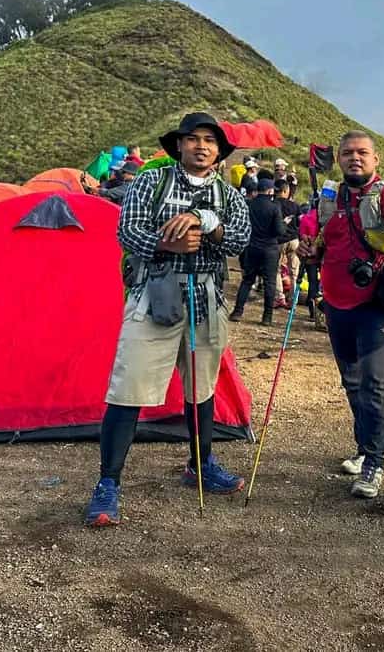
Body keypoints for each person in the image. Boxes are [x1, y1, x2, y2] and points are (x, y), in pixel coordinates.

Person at [84, 112, 252, 528]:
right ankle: (108, 484)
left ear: (218, 151)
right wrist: (166, 240)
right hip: (153, 297)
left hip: (206, 299)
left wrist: (206, 223)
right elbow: (127, 231)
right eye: (192, 139)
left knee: (202, 387)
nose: (200, 146)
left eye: (209, 141)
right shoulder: (150, 182)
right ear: (178, 146)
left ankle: (201, 464)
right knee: (129, 388)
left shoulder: (228, 195)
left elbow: (241, 238)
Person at [297, 131, 384, 499]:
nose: (354, 158)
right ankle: (364, 448)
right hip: (337, 303)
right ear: (339, 159)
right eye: (347, 153)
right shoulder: (330, 198)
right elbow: (319, 241)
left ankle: (375, 462)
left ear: (375, 159)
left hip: (378, 303)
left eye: (362, 153)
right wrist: (309, 250)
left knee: (375, 384)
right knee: (353, 382)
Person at [230, 176, 284, 325]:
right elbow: (279, 231)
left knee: (247, 280)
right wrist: (284, 224)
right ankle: (267, 316)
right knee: (269, 282)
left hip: (252, 246)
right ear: (269, 190)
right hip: (270, 249)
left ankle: (238, 311)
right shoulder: (274, 207)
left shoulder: (249, 204)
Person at [274, 179, 301, 306]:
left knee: (277, 270)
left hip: (279, 241)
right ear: (285, 191)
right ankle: (293, 299)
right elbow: (301, 223)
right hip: (294, 240)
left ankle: (280, 297)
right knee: (294, 272)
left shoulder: (274, 205)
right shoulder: (294, 206)